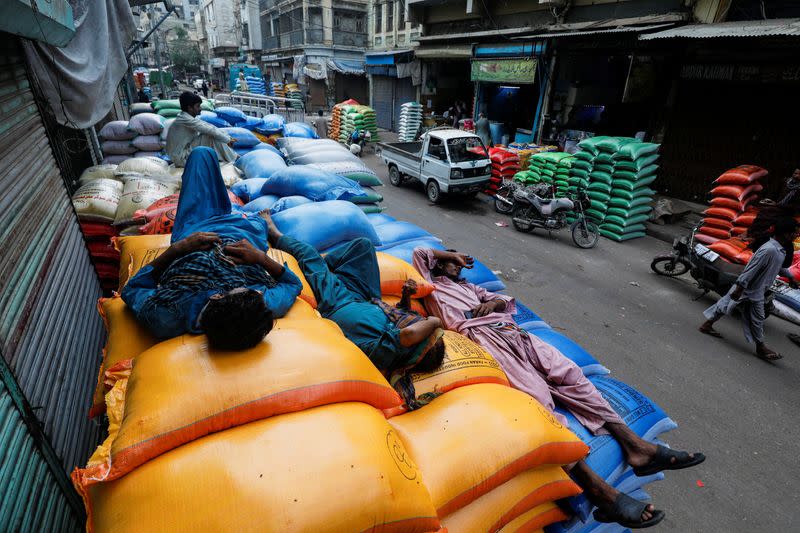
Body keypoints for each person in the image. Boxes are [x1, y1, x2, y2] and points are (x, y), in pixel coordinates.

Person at [412, 247, 706, 528]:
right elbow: (421, 254)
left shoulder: (469, 287)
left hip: (516, 334)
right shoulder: (432, 286)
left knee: (572, 375)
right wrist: (451, 255)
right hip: (486, 340)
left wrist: (493, 303)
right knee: (537, 400)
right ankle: (599, 491)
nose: (457, 266)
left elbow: (504, 300)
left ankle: (637, 447)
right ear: (440, 264)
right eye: (451, 262)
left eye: (458, 263)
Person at [122, 148, 303, 349]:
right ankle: (256, 221)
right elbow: (292, 284)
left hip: (195, 230)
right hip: (243, 234)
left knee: (202, 155)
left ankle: (229, 210)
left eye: (246, 289)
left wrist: (179, 249)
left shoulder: (165, 316)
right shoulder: (255, 308)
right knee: (252, 218)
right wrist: (260, 258)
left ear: (217, 296)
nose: (258, 292)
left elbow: (133, 288)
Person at [263, 217, 446, 381]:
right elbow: (402, 316)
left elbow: (410, 334)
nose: (421, 324)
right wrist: (406, 296)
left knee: (308, 254)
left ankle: (276, 234)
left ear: (416, 349)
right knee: (363, 246)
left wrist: (435, 322)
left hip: (335, 302)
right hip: (366, 299)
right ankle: (323, 267)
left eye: (424, 331)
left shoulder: (388, 354)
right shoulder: (401, 338)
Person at [700, 217, 799, 360]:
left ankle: (707, 325)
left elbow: (779, 267)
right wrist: (739, 288)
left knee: (724, 305)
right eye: (793, 233)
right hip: (751, 289)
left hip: (754, 288)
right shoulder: (769, 250)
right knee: (757, 318)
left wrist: (790, 278)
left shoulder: (779, 249)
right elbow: (751, 270)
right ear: (785, 233)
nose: (796, 235)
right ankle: (761, 347)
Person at [165, 92, 238, 167]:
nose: (200, 109)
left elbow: (207, 126)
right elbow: (209, 130)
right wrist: (227, 140)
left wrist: (227, 137)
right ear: (189, 108)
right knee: (210, 136)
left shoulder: (185, 117)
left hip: (183, 152)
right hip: (181, 157)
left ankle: (233, 157)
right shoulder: (185, 119)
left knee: (212, 135)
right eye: (198, 106)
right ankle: (235, 160)